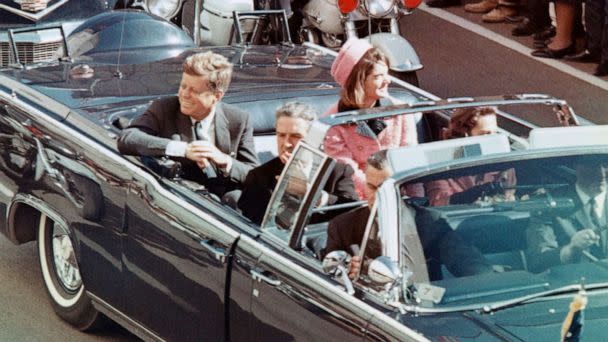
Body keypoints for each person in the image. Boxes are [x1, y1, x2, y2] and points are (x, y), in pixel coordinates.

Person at [324, 150, 492, 280]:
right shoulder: (342, 227)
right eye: (371, 187)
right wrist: (349, 271)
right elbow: (331, 275)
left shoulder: (430, 223)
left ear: (403, 189)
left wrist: (486, 277)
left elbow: (465, 260)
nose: (376, 196)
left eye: (384, 188)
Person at [117, 51, 258, 197]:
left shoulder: (239, 119)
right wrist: (183, 149)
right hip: (180, 200)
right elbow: (127, 138)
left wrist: (225, 161)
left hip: (224, 208)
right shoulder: (165, 109)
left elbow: (256, 176)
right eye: (183, 86)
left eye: (194, 91)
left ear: (216, 96)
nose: (184, 94)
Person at [323, 38, 419, 199]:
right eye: (378, 76)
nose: (387, 80)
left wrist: (417, 203)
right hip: (358, 201)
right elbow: (348, 173)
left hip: (401, 194)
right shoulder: (333, 122)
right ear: (358, 81)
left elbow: (411, 161)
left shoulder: (400, 111)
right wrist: (382, 195)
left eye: (386, 74)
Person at [238, 102, 359, 225]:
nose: (286, 143)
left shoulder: (337, 172)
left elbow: (352, 213)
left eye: (296, 136)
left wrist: (312, 194)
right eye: (281, 135)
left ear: (314, 138)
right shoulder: (259, 177)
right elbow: (254, 227)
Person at [425, 107, 517, 206]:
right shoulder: (439, 163)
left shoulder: (504, 164)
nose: (493, 138)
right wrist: (470, 195)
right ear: (465, 136)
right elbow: (439, 203)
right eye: (486, 134)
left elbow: (509, 198)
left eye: (495, 132)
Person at [526, 163, 607, 273]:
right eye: (593, 165)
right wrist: (571, 249)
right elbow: (538, 260)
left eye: (606, 164)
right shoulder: (548, 205)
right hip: (574, 284)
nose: (601, 174)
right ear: (575, 167)